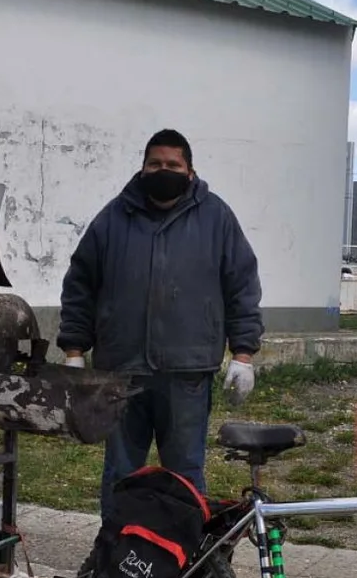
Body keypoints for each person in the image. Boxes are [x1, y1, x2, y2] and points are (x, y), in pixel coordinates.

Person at [57, 128, 263, 523]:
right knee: (120, 474)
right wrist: (74, 351)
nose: (163, 170)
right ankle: (115, 560)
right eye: (155, 164)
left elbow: (242, 284)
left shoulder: (216, 217)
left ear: (189, 171)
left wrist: (243, 353)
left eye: (173, 165)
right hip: (122, 372)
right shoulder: (114, 217)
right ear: (142, 167)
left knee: (185, 476)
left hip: (187, 374)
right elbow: (81, 283)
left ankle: (187, 570)